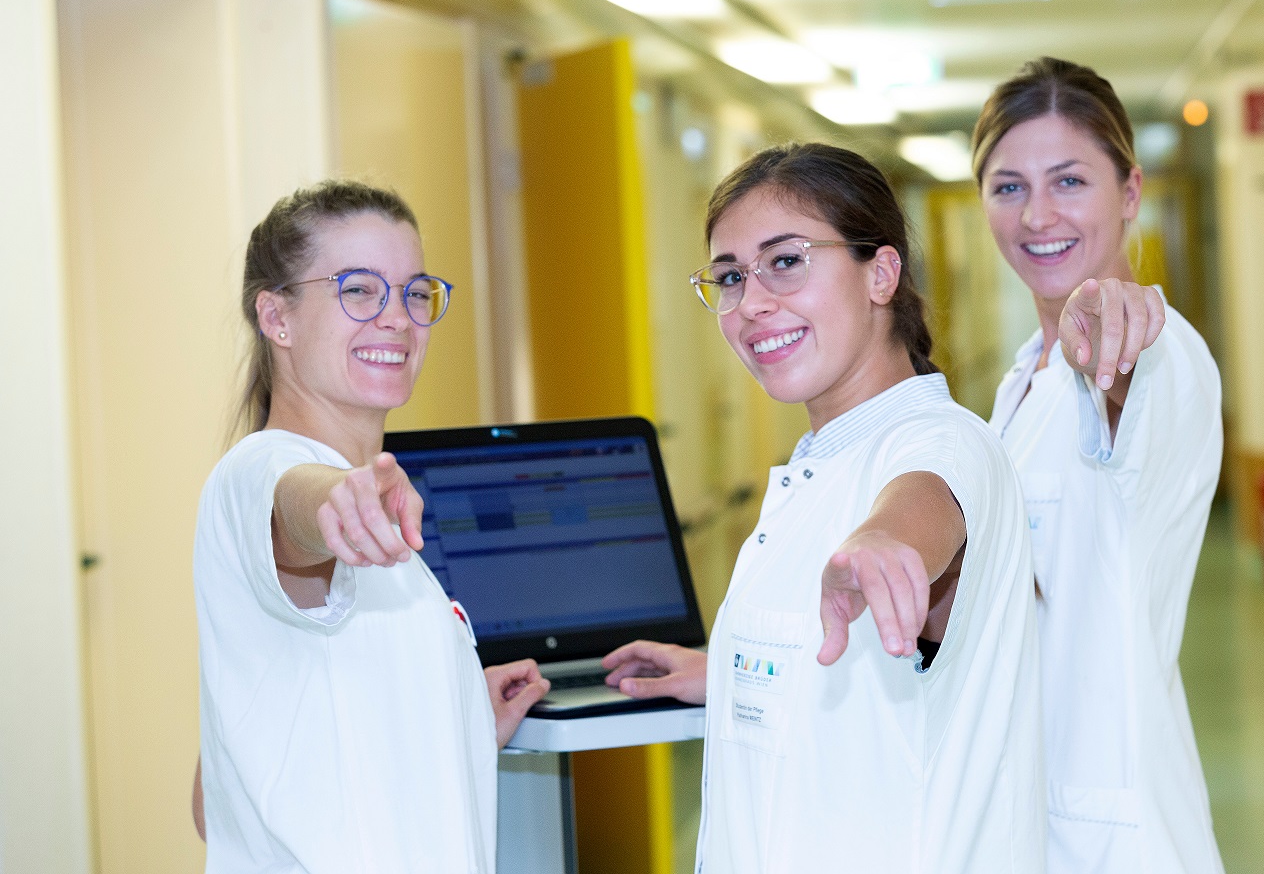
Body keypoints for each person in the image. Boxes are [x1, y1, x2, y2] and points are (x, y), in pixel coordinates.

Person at [602, 143, 1044, 872]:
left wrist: (883, 546)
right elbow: (852, 683)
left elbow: (918, 509)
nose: (752, 304)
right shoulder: (823, 461)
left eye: (786, 261)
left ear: (881, 273)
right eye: (730, 277)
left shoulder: (943, 442)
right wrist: (730, 670)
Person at [192, 180, 549, 873]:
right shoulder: (261, 473)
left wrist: (456, 720)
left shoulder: (365, 508)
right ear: (277, 317)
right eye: (359, 290)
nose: (398, 319)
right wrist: (336, 503)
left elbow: (214, 801)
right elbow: (300, 508)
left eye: (415, 292)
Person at [972, 57, 1225, 873]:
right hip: (1024, 811)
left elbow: (1125, 379)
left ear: (1130, 192)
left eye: (1069, 181)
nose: (1036, 215)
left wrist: (1115, 315)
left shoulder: (1160, 354)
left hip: (1110, 832)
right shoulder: (1024, 379)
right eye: (1008, 187)